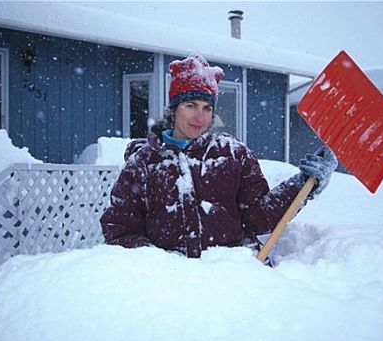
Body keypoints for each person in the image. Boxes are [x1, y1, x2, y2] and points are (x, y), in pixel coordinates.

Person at [100, 54, 338, 260]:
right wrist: (162, 268)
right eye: (190, 105)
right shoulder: (144, 163)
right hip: (170, 288)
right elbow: (120, 229)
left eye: (207, 107)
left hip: (230, 278)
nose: (199, 116)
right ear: (174, 109)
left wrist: (302, 185)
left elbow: (258, 217)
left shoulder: (233, 154)